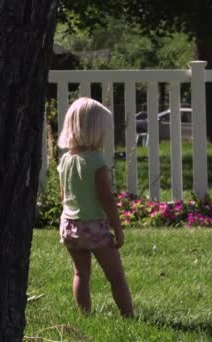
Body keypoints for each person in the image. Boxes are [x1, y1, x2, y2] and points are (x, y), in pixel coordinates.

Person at [57, 97, 134, 317]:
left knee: (80, 273)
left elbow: (64, 196)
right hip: (94, 227)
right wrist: (117, 229)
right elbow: (106, 199)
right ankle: (128, 315)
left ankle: (85, 316)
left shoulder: (65, 161)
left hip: (70, 225)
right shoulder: (96, 162)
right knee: (116, 276)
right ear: (94, 131)